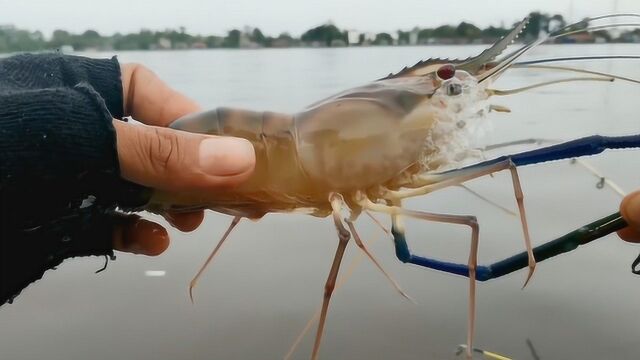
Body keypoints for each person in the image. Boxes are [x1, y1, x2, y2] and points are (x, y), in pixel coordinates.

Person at [0, 53, 638, 305]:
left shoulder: (401, 115)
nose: (452, 88)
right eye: (443, 78)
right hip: (232, 155)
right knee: (502, 181)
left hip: (265, 163)